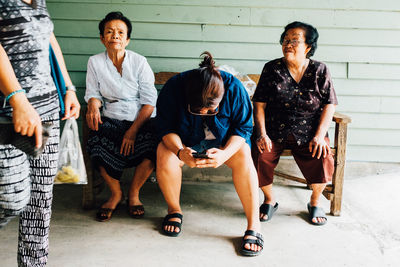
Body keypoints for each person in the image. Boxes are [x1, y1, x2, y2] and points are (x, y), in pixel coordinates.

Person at [156, 51, 263, 256]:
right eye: (198, 110)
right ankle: (174, 210)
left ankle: (254, 224)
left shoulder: (234, 87)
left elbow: (243, 128)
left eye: (211, 110)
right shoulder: (174, 87)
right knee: (164, 152)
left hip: (226, 141)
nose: (205, 113)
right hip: (185, 140)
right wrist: (180, 152)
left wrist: (224, 154)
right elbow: (165, 127)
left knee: (243, 155)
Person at [0, 0, 80, 265]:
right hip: (7, 113)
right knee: (12, 198)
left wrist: (68, 87)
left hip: (47, 110)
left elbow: (49, 38)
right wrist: (17, 99)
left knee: (40, 204)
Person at [252, 21, 338, 226]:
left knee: (323, 156)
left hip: (309, 132)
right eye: (285, 40)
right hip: (274, 131)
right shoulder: (272, 68)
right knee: (259, 155)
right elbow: (259, 104)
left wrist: (320, 135)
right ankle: (270, 200)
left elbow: (330, 104)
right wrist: (262, 133)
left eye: (295, 40)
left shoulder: (320, 70)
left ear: (308, 46)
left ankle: (315, 201)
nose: (288, 44)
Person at [85, 12, 158, 222]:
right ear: (102, 38)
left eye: (120, 32)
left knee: (155, 143)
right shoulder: (95, 62)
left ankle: (134, 194)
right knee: (96, 140)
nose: (114, 36)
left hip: (141, 116)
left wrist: (132, 131)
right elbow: (93, 93)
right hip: (112, 114)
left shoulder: (139, 62)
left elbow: (149, 102)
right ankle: (116, 194)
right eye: (109, 32)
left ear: (127, 39)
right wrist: (92, 105)